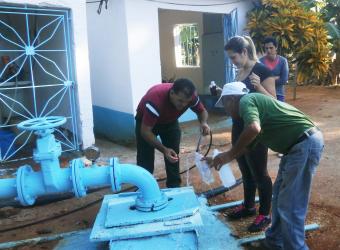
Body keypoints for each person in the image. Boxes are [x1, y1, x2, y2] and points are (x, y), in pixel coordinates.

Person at [209, 82, 324, 250]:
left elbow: (254, 128)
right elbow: (247, 146)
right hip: (296, 147)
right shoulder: (254, 106)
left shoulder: (246, 101)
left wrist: (228, 155)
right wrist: (220, 159)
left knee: (290, 204)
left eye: (224, 104)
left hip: (303, 144)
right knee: (278, 197)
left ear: (232, 99)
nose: (225, 109)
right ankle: (274, 242)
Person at [222, 36, 276, 232]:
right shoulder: (239, 72)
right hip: (238, 125)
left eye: (233, 57)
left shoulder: (262, 71)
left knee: (260, 172)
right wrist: (220, 92)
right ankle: (249, 206)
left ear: (244, 52)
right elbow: (237, 98)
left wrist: (259, 86)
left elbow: (275, 102)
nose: (232, 62)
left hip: (255, 127)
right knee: (245, 170)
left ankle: (265, 214)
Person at [135, 78, 210, 188]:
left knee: (173, 154)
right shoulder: (156, 99)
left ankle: (174, 185)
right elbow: (145, 132)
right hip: (145, 122)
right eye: (180, 101)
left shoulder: (191, 97)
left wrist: (203, 122)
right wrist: (164, 149)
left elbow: (202, 111)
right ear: (172, 93)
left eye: (187, 102)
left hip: (170, 122)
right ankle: (144, 186)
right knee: (145, 156)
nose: (183, 105)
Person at [260, 37, 289, 102]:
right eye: (266, 48)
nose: (268, 50)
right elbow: (258, 81)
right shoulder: (260, 62)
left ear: (276, 48)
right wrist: (276, 78)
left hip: (279, 94)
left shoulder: (283, 61)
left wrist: (267, 80)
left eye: (271, 48)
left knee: (279, 112)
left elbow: (284, 80)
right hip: (264, 94)